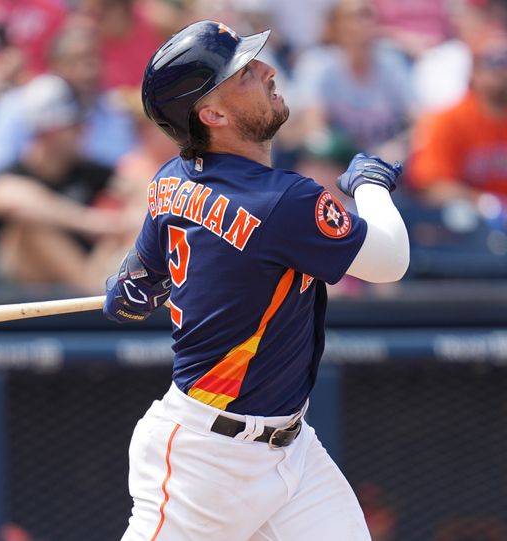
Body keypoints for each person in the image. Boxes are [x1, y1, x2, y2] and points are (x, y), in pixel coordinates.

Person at [103, 20, 409, 540]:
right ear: (213, 114)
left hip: (291, 452)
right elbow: (391, 261)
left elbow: (132, 293)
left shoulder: (171, 180)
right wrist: (371, 184)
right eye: (243, 73)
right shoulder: (284, 199)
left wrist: (131, 290)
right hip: (205, 463)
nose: (267, 71)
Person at [0, 76, 133, 293]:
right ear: (48, 131)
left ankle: (99, 291)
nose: (83, 132)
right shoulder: (15, 172)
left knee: (134, 221)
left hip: (87, 270)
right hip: (16, 287)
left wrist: (116, 224)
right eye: (74, 126)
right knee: (30, 227)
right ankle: (96, 295)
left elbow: (138, 192)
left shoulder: (91, 171)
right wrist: (89, 221)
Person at [0, 24, 136, 203]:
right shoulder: (17, 106)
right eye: (76, 60)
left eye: (94, 60)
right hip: (32, 215)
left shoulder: (112, 110)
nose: (88, 70)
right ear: (55, 66)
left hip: (101, 211)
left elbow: (127, 174)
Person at [291, 0, 414, 195]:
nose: (361, 24)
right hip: (340, 162)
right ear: (336, 25)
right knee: (316, 163)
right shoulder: (318, 63)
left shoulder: (391, 62)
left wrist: (401, 146)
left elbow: (419, 118)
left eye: (367, 16)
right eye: (353, 17)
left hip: (387, 158)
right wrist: (355, 159)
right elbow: (314, 129)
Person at [409, 31, 507, 205]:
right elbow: (432, 184)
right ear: (475, 72)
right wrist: (483, 202)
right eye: (496, 62)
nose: (503, 70)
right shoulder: (449, 119)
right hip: (471, 222)